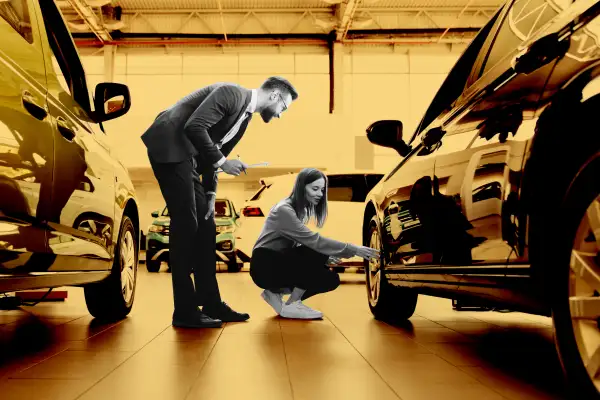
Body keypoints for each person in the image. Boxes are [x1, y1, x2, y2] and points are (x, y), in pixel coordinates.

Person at [141, 77, 298, 328]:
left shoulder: (244, 119)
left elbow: (213, 150)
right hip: (170, 143)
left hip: (188, 157)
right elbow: (195, 127)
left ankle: (211, 302)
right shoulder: (231, 94)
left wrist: (211, 194)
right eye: (283, 108)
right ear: (275, 96)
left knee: (206, 225)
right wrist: (223, 163)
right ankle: (184, 310)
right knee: (186, 223)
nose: (280, 115)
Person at [250, 168, 380, 319]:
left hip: (276, 262)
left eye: (322, 189)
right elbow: (314, 241)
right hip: (264, 264)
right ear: (301, 187)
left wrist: (324, 257)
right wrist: (353, 249)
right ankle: (292, 303)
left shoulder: (299, 210)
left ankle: (274, 293)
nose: (320, 194)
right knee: (316, 249)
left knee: (330, 279)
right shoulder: (283, 210)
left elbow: (298, 245)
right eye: (315, 189)